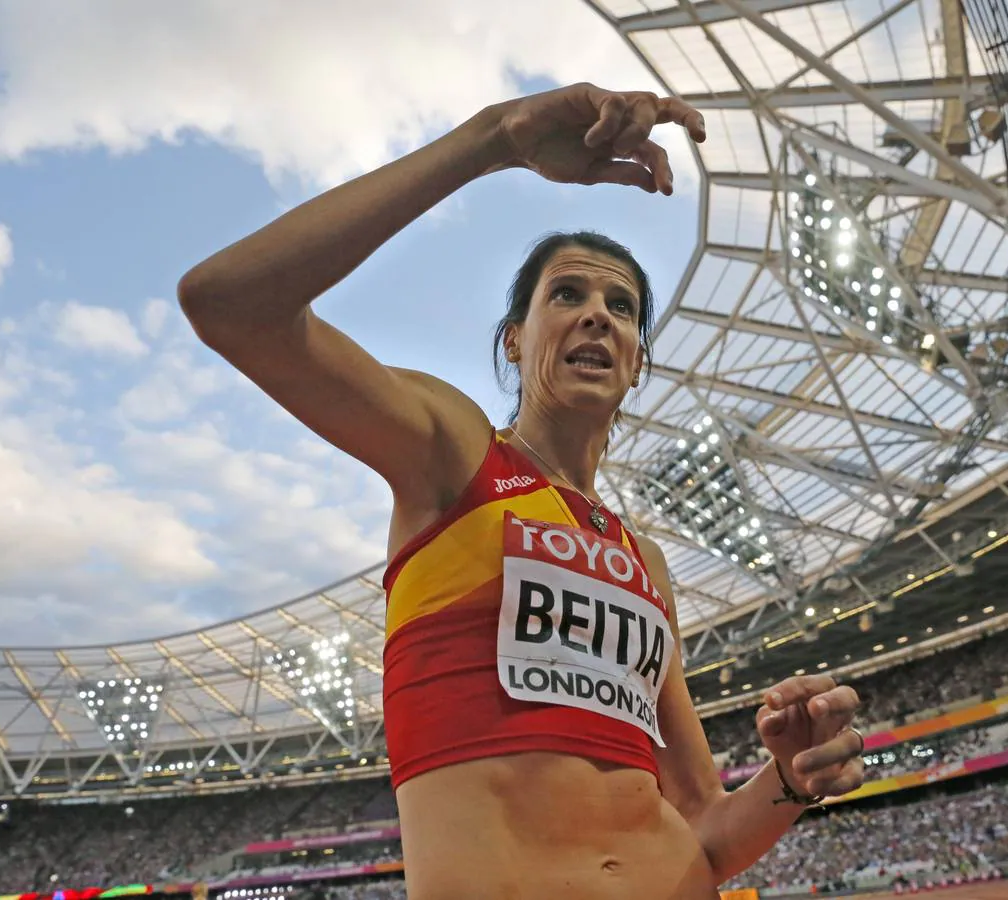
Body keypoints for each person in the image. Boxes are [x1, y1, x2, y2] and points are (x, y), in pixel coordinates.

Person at [178, 83, 866, 899]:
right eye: (566, 295)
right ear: (514, 340)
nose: (597, 317)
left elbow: (703, 826)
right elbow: (230, 304)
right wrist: (490, 141)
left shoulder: (642, 559)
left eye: (622, 307)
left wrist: (786, 781)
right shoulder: (454, 454)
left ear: (637, 362)